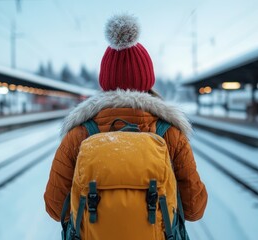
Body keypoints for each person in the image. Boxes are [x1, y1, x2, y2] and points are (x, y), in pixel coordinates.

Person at [44, 14, 207, 237]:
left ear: (105, 82)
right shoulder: (170, 134)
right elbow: (195, 209)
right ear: (147, 80)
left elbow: (55, 208)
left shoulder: (79, 135)